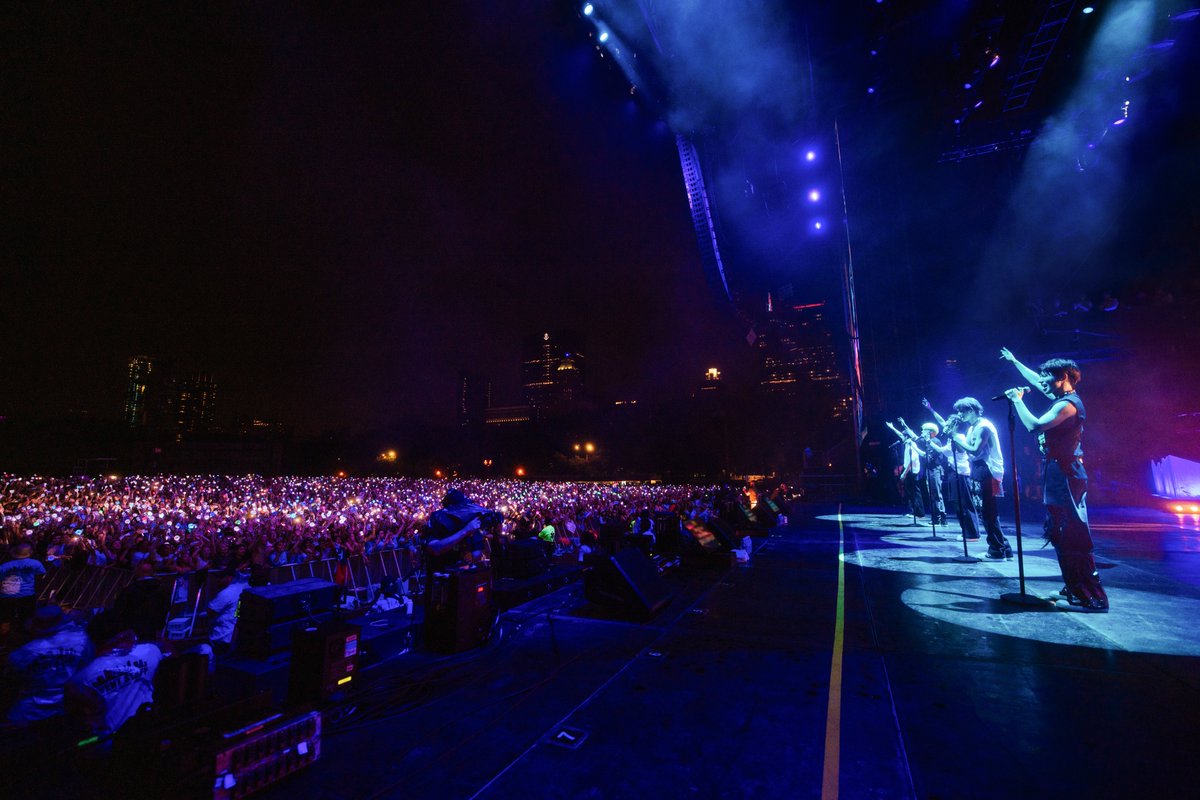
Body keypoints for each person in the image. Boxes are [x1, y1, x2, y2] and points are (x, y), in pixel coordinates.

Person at [1005, 357, 1108, 612]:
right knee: (1059, 533)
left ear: (1061, 377)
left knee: (1072, 533)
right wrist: (1015, 362)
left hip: (1067, 473)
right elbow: (1035, 379)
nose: (1040, 383)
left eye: (1046, 378)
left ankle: (1090, 598)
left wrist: (1018, 401)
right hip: (1056, 471)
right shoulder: (1061, 398)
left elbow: (1034, 425)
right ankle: (1073, 588)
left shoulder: (1069, 406)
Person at [64, 609, 164, 739]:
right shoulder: (150, 652)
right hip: (148, 733)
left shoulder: (81, 679)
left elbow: (77, 720)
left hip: (106, 745)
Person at [6, 604, 92, 724]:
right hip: (67, 706)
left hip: (30, 711)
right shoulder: (82, 640)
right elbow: (87, 668)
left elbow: (12, 679)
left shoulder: (25, 652)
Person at [951, 397, 1012, 559]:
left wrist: (956, 438)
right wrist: (954, 434)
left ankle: (997, 549)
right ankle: (1003, 547)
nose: (959, 414)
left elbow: (975, 451)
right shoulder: (973, 427)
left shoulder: (983, 427)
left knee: (988, 511)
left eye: (961, 411)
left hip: (987, 469)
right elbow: (963, 450)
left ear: (971, 410)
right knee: (985, 510)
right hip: (979, 468)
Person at [922, 400, 980, 540]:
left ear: (953, 425)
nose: (944, 426)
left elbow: (955, 450)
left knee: (965, 504)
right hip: (955, 473)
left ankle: (972, 533)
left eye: (948, 424)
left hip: (962, 473)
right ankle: (967, 531)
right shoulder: (951, 438)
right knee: (958, 505)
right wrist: (931, 409)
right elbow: (942, 422)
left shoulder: (958, 437)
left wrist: (932, 441)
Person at [1, 542, 47, 635]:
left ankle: (2, 643)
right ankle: (26, 639)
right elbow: (41, 574)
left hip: (6, 596)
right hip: (27, 595)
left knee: (5, 619)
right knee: (27, 618)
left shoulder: (4, 566)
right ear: (30, 553)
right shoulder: (35, 563)